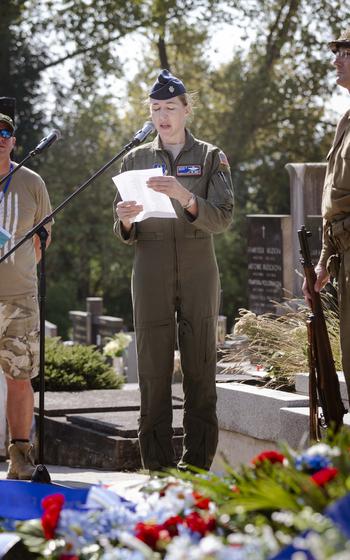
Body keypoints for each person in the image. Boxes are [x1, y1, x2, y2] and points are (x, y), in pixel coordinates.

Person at [113, 70, 234, 471]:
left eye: (169, 108)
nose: (162, 116)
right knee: (152, 372)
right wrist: (125, 219)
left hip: (200, 263)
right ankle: (158, 471)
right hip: (150, 263)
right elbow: (125, 231)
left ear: (186, 109)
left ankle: (196, 469)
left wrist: (184, 195)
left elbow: (221, 218)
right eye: (155, 109)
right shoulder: (135, 159)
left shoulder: (210, 157)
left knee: (200, 370)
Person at [0, 110, 52, 479]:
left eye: (6, 132)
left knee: (19, 377)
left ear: (14, 141)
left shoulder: (31, 181)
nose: (0, 137)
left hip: (18, 297)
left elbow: (43, 237)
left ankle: (20, 456)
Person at [302, 29, 350, 401]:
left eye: (345, 53)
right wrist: (322, 263)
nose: (336, 60)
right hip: (343, 254)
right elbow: (333, 203)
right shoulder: (346, 120)